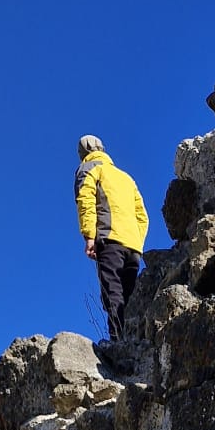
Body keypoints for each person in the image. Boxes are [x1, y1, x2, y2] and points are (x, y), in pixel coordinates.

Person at [74, 136, 148, 345]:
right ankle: (136, 342)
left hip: (109, 241)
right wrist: (137, 241)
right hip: (133, 246)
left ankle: (118, 343)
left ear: (82, 154)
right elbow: (142, 216)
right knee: (130, 296)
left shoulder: (89, 169)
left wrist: (90, 236)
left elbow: (85, 201)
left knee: (112, 293)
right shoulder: (126, 178)